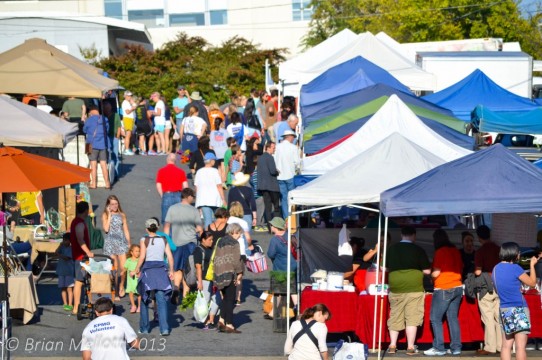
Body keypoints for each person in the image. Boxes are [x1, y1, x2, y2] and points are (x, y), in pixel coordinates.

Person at [385, 226, 431, 355]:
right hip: (414, 288)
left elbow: (385, 268)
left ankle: (392, 345)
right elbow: (427, 271)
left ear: (401, 235)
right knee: (412, 317)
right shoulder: (418, 250)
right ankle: (410, 347)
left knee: (395, 316)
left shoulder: (392, 249)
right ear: (414, 235)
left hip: (396, 288)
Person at [493, 242, 539, 360]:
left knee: (506, 346)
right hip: (519, 308)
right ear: (513, 253)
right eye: (518, 252)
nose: (519, 254)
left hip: (504, 308)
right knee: (520, 347)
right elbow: (532, 283)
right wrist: (532, 265)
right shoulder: (515, 268)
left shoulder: (495, 268)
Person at [424, 229, 463, 356]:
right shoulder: (455, 250)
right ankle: (456, 348)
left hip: (443, 287)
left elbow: (436, 272)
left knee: (435, 318)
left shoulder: (440, 252)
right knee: (452, 318)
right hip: (457, 286)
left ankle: (439, 348)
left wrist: (431, 277)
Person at [134, 218, 175, 336]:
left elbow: (142, 257)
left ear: (146, 229)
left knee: (144, 299)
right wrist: (171, 270)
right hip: (161, 270)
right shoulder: (163, 239)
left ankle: (144, 328)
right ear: (157, 228)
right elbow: (170, 257)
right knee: (161, 300)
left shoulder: (144, 239)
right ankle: (164, 329)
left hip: (148, 270)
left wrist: (136, 269)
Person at [163, 188, 203, 303]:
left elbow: (166, 227)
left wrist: (167, 242)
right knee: (188, 269)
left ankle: (176, 287)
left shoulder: (172, 208)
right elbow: (200, 229)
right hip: (190, 242)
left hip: (176, 243)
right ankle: (185, 295)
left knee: (177, 268)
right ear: (189, 196)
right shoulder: (194, 210)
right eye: (193, 197)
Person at [474, 225, 502, 355]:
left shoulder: (480, 251)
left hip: (485, 284)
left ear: (479, 237)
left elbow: (478, 271)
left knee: (488, 316)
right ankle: (501, 346)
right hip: (499, 283)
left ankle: (490, 347)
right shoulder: (499, 249)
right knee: (498, 316)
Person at [213, 223, 244, 334]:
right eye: (239, 233)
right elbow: (236, 261)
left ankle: (221, 320)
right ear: (234, 231)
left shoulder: (220, 241)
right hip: (230, 273)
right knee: (230, 299)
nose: (240, 236)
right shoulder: (234, 243)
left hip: (219, 273)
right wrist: (240, 273)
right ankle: (229, 324)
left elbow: (216, 258)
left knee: (225, 298)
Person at [267, 217, 298, 319]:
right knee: (292, 289)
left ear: (275, 227)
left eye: (272, 225)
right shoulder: (290, 236)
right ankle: (298, 308)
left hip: (280, 268)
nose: (270, 226)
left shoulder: (275, 240)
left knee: (278, 291)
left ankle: (273, 312)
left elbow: (270, 254)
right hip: (293, 266)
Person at [101, 195, 131, 299]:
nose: (115, 206)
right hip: (110, 242)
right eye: (112, 204)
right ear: (108, 205)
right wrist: (109, 214)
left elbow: (126, 229)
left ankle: (121, 285)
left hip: (121, 242)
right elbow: (105, 229)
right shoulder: (105, 214)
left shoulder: (122, 214)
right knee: (114, 268)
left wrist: (129, 242)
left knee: (123, 267)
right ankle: (115, 290)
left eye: (116, 203)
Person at [70, 201, 94, 316]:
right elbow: (80, 240)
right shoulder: (79, 223)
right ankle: (76, 307)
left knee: (81, 281)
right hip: (81, 257)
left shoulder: (75, 221)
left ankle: (85, 303)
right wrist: (88, 252)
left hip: (78, 256)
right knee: (79, 282)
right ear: (85, 211)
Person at [194, 231, 221, 330]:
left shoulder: (210, 249)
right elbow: (198, 267)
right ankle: (206, 322)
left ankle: (211, 320)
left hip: (212, 279)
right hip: (204, 280)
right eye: (209, 240)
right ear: (203, 240)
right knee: (204, 302)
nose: (212, 241)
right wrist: (200, 282)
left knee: (217, 299)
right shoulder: (198, 250)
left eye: (212, 239)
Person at [194, 152, 226, 230]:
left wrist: (197, 201)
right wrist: (223, 199)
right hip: (215, 199)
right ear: (211, 161)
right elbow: (219, 186)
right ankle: (216, 236)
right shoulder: (215, 171)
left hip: (203, 200)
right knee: (217, 219)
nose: (215, 162)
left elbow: (196, 187)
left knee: (207, 221)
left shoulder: (199, 172)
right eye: (214, 160)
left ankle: (207, 238)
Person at [155, 153, 188, 223]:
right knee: (178, 220)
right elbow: (185, 186)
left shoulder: (161, 171)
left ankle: (168, 233)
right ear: (175, 161)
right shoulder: (181, 171)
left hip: (167, 194)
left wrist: (162, 195)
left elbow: (158, 185)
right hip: (178, 195)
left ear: (167, 159)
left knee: (166, 220)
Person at [274, 129, 300, 218]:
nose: (293, 139)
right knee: (292, 198)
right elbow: (297, 162)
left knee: (284, 199)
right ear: (290, 137)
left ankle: (286, 218)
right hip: (290, 175)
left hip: (279, 176)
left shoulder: (277, 147)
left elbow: (274, 160)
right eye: (293, 137)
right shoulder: (293, 148)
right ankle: (292, 218)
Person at [84, 105, 111, 189]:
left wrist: (85, 120)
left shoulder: (89, 120)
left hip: (91, 143)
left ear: (91, 111)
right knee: (103, 164)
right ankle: (107, 184)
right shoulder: (104, 119)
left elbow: (84, 130)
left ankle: (94, 184)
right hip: (103, 144)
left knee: (93, 163)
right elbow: (108, 130)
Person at [257, 141, 280, 231]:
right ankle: (277, 226)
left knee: (268, 207)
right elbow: (272, 171)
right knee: (276, 208)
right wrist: (277, 171)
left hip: (263, 186)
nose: (274, 149)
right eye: (273, 147)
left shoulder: (260, 158)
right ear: (268, 147)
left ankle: (270, 227)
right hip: (272, 186)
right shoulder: (270, 157)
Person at [55, 232, 75, 312]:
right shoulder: (62, 247)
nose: (65, 242)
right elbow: (55, 252)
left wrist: (59, 255)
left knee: (69, 288)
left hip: (69, 272)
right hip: (61, 271)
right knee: (63, 288)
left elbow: (67, 258)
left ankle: (70, 304)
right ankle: (65, 303)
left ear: (70, 241)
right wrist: (60, 245)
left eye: (66, 240)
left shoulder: (71, 248)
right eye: (64, 240)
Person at [103, 102, 122, 180]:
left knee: (115, 155)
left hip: (114, 137)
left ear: (110, 108)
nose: (107, 110)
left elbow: (119, 127)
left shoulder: (116, 115)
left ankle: (116, 173)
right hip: (106, 137)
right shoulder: (103, 116)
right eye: (105, 108)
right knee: (107, 154)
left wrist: (117, 136)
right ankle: (109, 173)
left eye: (108, 108)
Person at [124, 244, 141, 314]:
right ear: (131, 252)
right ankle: (133, 305)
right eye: (136, 251)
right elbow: (125, 268)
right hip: (130, 280)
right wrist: (122, 273)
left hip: (138, 279)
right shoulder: (128, 260)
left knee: (139, 293)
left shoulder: (139, 260)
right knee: (131, 293)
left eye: (139, 251)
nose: (138, 253)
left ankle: (139, 306)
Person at [121, 91, 137, 155]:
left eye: (130, 96)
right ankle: (127, 149)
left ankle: (128, 148)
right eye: (128, 96)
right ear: (125, 96)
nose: (129, 97)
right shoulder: (125, 103)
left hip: (130, 119)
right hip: (127, 119)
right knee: (128, 135)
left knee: (129, 135)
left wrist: (132, 103)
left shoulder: (128, 102)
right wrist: (132, 108)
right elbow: (127, 112)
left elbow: (135, 105)